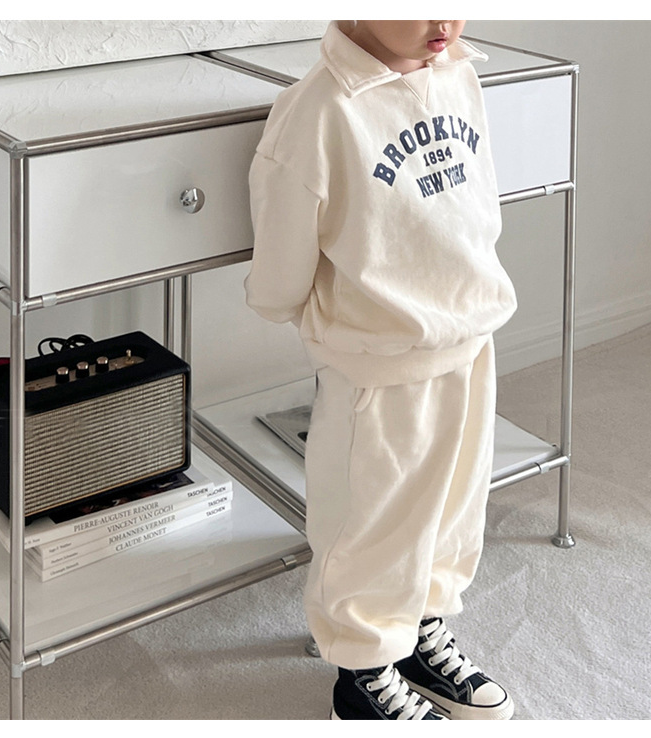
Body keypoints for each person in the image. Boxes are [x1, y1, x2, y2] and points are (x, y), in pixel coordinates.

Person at [245, 20, 517, 721]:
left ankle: (419, 627)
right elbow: (283, 249)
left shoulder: (458, 73)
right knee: (372, 522)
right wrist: (286, 303)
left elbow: (477, 198)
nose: (442, 23)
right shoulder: (322, 108)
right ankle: (362, 671)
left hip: (468, 333)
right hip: (377, 361)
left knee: (452, 510)